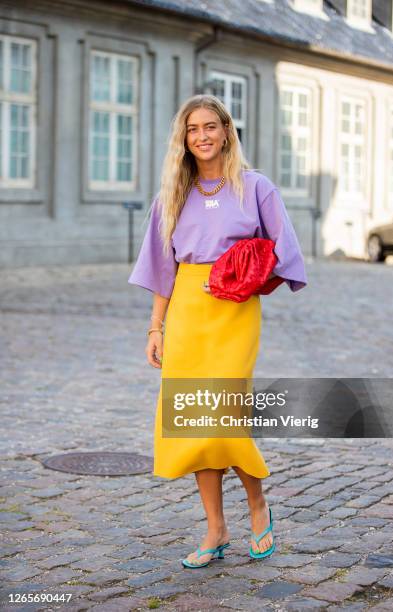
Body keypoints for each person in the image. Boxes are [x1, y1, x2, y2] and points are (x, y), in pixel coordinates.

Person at [128, 94, 307, 568]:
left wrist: (251, 272)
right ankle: (215, 528)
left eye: (211, 126)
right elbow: (161, 268)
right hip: (187, 309)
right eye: (193, 129)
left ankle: (257, 504)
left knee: (223, 416)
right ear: (183, 139)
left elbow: (283, 252)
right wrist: (155, 328)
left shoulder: (256, 187)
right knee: (193, 420)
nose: (202, 136)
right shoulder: (172, 195)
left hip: (234, 310)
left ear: (227, 130)